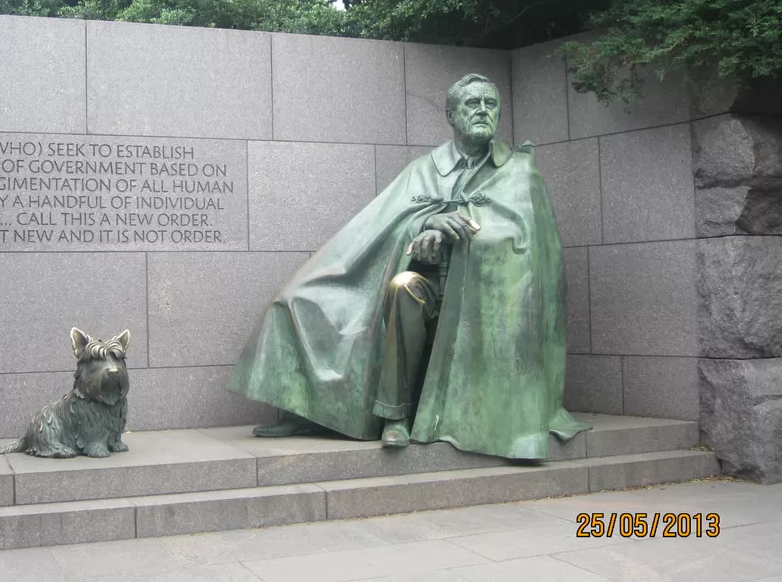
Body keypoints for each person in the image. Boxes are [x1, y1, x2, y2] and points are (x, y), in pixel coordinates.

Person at [225, 74, 589, 460]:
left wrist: (459, 235)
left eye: (490, 103)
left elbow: (530, 251)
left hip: (481, 301)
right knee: (312, 297)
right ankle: (376, 415)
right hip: (428, 284)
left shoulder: (520, 172)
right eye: (472, 104)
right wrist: (423, 227)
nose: (483, 110)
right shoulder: (424, 169)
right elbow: (384, 225)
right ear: (451, 114)